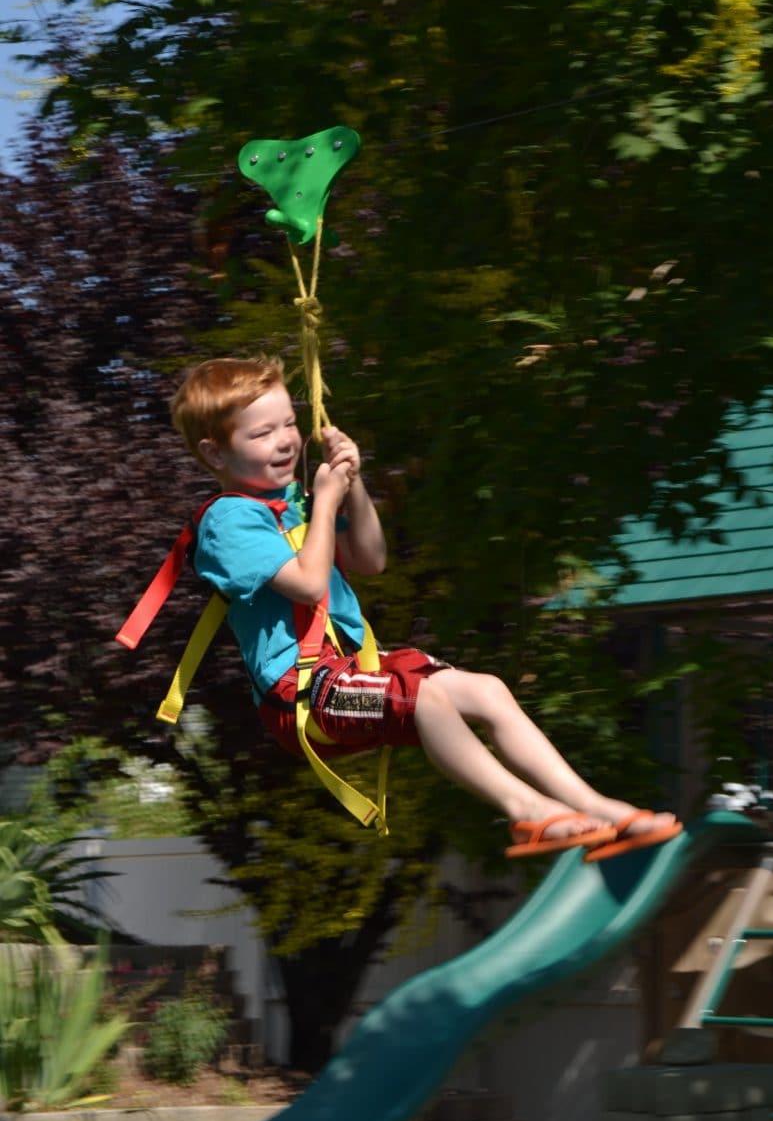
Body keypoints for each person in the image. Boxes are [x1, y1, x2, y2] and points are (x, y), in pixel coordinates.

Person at [170, 356, 682, 860]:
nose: (285, 440)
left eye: (289, 424)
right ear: (216, 454)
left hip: (349, 672)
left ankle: (596, 806)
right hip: (302, 696)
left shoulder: (295, 501)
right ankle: (526, 809)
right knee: (425, 699)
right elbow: (306, 584)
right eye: (262, 434)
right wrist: (325, 503)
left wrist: (353, 484)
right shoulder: (228, 522)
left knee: (487, 690)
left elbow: (371, 559)